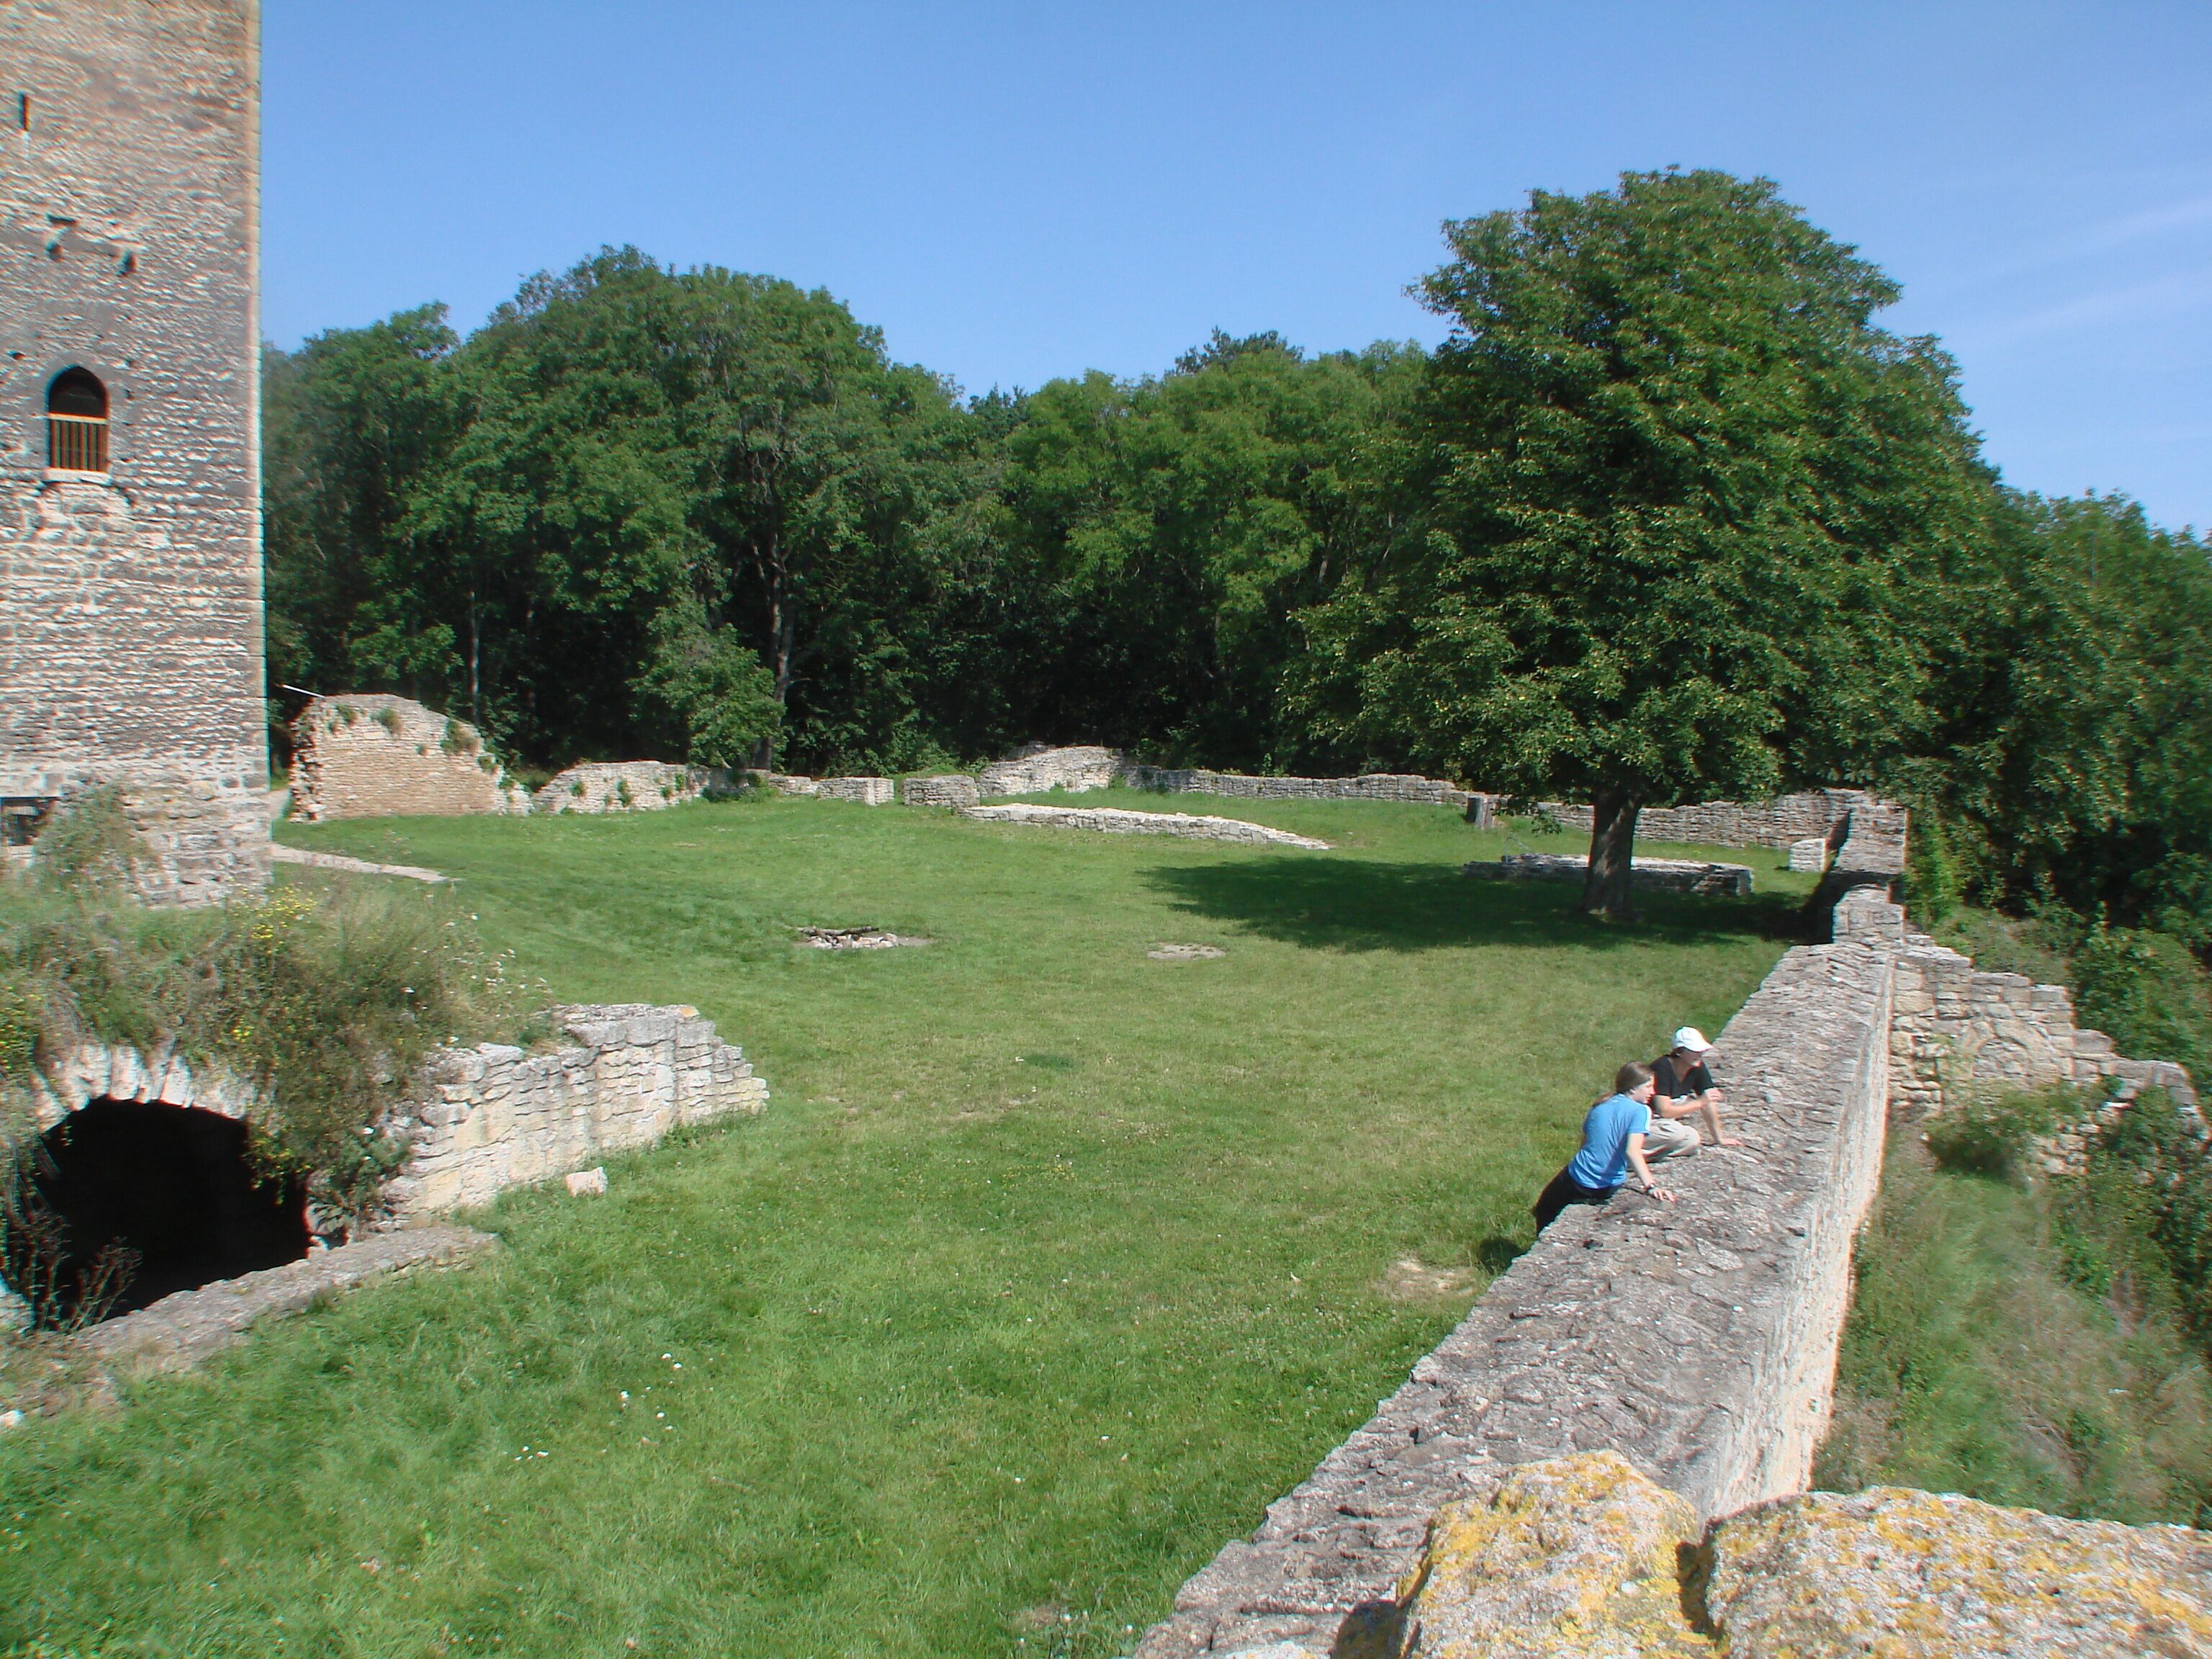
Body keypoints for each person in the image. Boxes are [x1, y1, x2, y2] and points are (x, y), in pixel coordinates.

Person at [1532, 1061, 1678, 1231]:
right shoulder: (1641, 1111)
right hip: (1609, 1185)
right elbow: (1633, 1151)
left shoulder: (1600, 1105)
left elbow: (1585, 1143)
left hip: (1578, 1178)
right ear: (1633, 1088)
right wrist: (1651, 1186)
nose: (1653, 1092)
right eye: (1648, 1087)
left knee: (1544, 1208)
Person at [1648, 1026, 1741, 1151]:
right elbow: (1664, 1111)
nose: (1700, 1054)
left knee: (1692, 1139)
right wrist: (1700, 1102)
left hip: (1665, 1125)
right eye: (1695, 1051)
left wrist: (1719, 1138)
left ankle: (1646, 1155)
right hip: (1645, 1122)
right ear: (1679, 1051)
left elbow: (1709, 1101)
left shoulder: (1697, 1066)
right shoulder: (1661, 1068)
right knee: (1675, 1132)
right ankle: (1632, 1153)